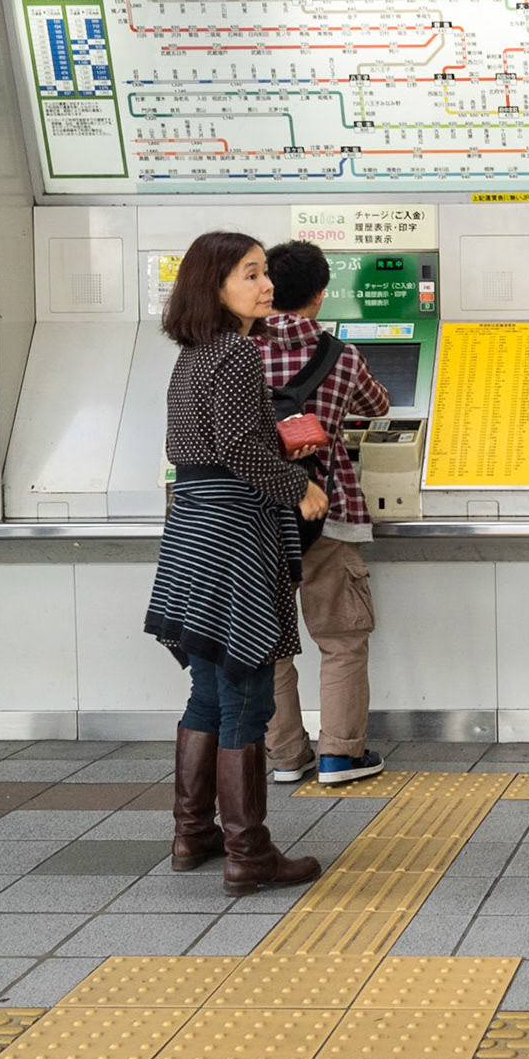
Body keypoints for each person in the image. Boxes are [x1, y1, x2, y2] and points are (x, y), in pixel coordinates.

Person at [145, 232, 326, 898]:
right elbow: (241, 449)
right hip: (233, 536)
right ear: (214, 284)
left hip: (192, 529)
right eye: (250, 274)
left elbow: (193, 444)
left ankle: (193, 832)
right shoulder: (238, 353)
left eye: (264, 274)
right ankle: (249, 853)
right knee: (248, 692)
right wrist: (297, 486)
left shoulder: (193, 356)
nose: (266, 285)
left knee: (207, 691)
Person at [257, 240, 392, 788]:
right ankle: (340, 756)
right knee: (340, 640)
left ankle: (287, 756)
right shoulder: (342, 355)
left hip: (257, 516)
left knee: (267, 642)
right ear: (318, 295)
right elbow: (379, 406)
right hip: (328, 513)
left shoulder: (236, 353)